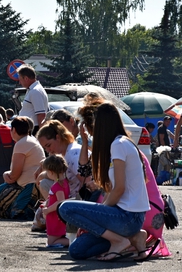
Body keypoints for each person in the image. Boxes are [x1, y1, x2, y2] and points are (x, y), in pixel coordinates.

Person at [58, 103, 150, 261]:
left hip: (127, 217)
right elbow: (114, 188)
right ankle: (134, 238)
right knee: (77, 250)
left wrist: (96, 214)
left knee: (65, 208)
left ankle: (119, 240)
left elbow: (119, 189)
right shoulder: (122, 143)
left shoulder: (118, 145)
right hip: (127, 218)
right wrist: (92, 220)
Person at [0, 116, 44, 220]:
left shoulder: (22, 143)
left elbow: (15, 174)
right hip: (35, 183)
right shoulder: (31, 140)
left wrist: (6, 174)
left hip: (29, 185)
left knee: (4, 194)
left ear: (13, 130)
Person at [36, 120, 83, 201]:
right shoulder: (62, 153)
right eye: (45, 148)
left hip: (78, 198)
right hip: (70, 193)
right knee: (44, 183)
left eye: (48, 145)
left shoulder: (73, 154)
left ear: (58, 137)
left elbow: (85, 181)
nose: (48, 150)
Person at [42, 154, 70, 248]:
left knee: (51, 243)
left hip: (55, 217)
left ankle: (72, 241)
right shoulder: (64, 182)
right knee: (51, 240)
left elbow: (60, 201)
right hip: (55, 216)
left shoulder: (58, 185)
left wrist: (48, 210)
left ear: (51, 172)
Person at [16, 64, 48, 135]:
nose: (19, 82)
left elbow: (41, 114)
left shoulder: (35, 91)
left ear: (26, 78)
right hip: (30, 128)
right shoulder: (33, 90)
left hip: (33, 129)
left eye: (20, 79)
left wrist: (41, 133)